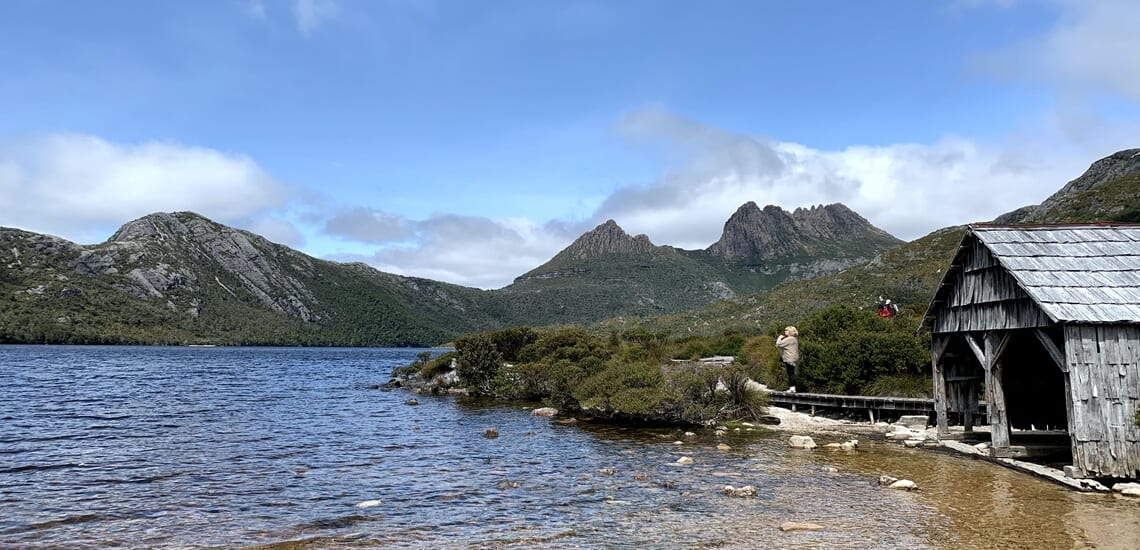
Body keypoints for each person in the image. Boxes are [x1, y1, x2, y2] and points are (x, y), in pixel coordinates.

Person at [775, 326, 800, 393]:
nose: (784, 331)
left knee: (790, 373)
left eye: (786, 330)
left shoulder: (790, 339)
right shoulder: (794, 339)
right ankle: (792, 387)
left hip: (789, 358)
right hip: (793, 358)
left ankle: (792, 388)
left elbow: (778, 345)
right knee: (791, 372)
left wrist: (779, 337)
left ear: (790, 332)